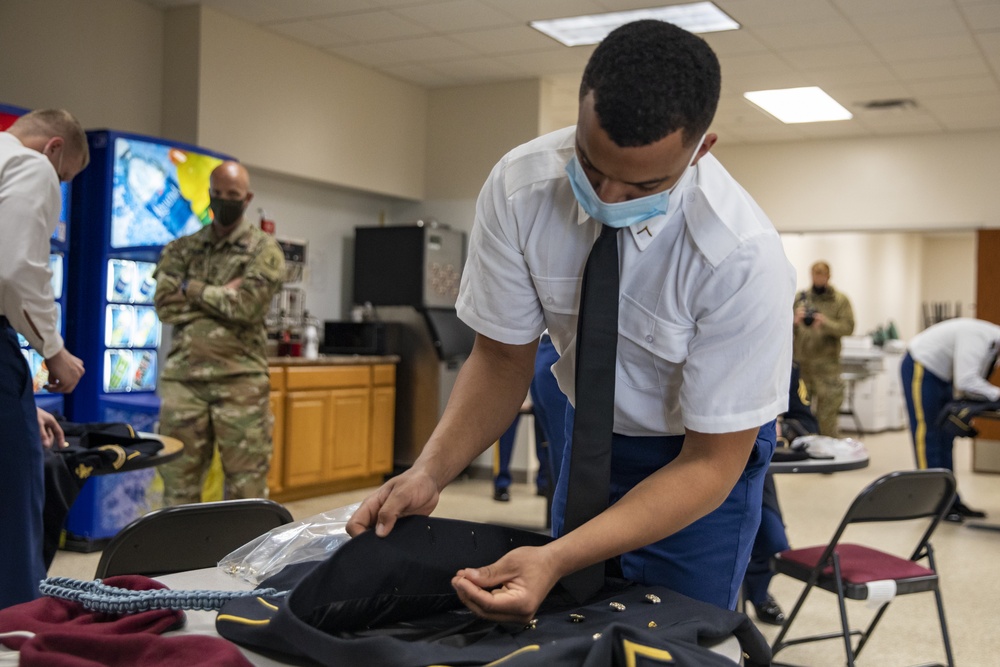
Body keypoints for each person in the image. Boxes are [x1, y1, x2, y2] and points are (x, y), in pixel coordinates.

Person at [347, 19, 794, 624]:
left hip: (694, 460)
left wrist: (554, 556)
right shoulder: (519, 188)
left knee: (675, 636)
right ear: (580, 115)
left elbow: (712, 463)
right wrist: (431, 470)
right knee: (572, 619)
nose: (607, 197)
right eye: (590, 164)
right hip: (589, 439)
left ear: (701, 150)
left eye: (642, 184)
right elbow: (503, 359)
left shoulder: (741, 255)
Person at [153, 160, 285, 505]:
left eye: (233, 195)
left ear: (247, 198)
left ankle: (246, 562)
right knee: (178, 489)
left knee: (246, 492)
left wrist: (192, 288)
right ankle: (179, 560)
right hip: (184, 382)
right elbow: (165, 306)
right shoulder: (182, 248)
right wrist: (222, 292)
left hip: (241, 382)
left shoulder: (264, 250)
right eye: (218, 194)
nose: (224, 200)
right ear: (209, 194)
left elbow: (247, 307)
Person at [0, 109, 89, 608]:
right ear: (54, 148)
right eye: (65, 178)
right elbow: (14, 271)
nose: (58, 186)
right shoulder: (31, 165)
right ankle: (15, 628)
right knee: (12, 499)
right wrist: (54, 353)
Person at [901, 317, 1000, 522]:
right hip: (922, 366)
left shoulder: (993, 343)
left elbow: (974, 384)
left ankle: (951, 500)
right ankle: (935, 504)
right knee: (928, 436)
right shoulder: (981, 337)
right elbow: (967, 380)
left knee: (946, 437)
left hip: (941, 376)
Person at [742, 363, 817, 626]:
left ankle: (757, 592)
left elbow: (807, 423)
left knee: (774, 544)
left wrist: (781, 429)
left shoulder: (786, 367)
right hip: (694, 461)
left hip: (755, 467)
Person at [492, 335, 568, 502]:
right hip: (544, 350)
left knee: (554, 442)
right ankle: (501, 481)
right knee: (561, 446)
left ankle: (543, 483)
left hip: (545, 350)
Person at [793, 261, 855, 437]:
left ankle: (828, 453)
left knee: (826, 418)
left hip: (827, 369)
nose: (818, 279)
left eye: (821, 276)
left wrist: (825, 323)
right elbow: (782, 327)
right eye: (814, 275)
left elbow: (848, 327)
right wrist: (794, 321)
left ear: (828, 276)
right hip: (803, 367)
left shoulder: (840, 300)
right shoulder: (800, 298)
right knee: (800, 415)